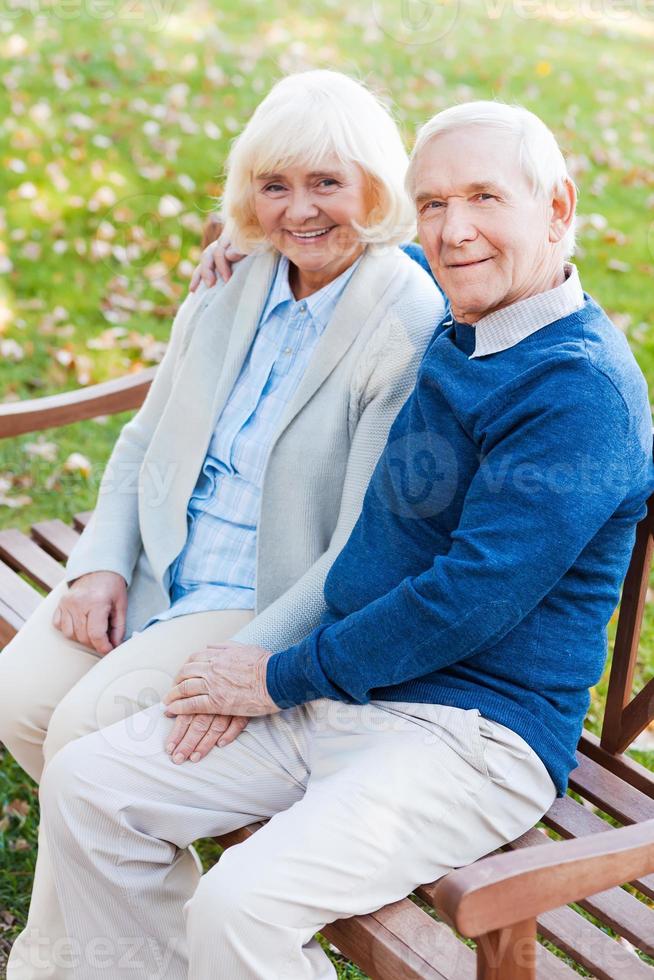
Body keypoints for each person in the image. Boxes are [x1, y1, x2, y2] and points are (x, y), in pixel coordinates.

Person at [34, 99, 654, 980]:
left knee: (239, 909)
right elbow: (366, 243)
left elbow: (465, 601)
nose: (454, 230)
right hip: (357, 683)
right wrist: (254, 240)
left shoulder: (577, 393)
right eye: (433, 204)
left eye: (484, 198)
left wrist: (277, 675)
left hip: (472, 734)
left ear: (557, 210)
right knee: (92, 787)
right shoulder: (471, 309)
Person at [0, 70, 445, 979]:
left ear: (375, 188)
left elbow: (361, 544)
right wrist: (99, 562)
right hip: (165, 565)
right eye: (275, 185)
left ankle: (74, 962)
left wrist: (257, 662)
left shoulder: (401, 320)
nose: (299, 210)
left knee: (87, 728)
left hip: (258, 595)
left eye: (328, 183)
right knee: (19, 698)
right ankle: (147, 933)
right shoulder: (234, 279)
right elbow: (144, 438)